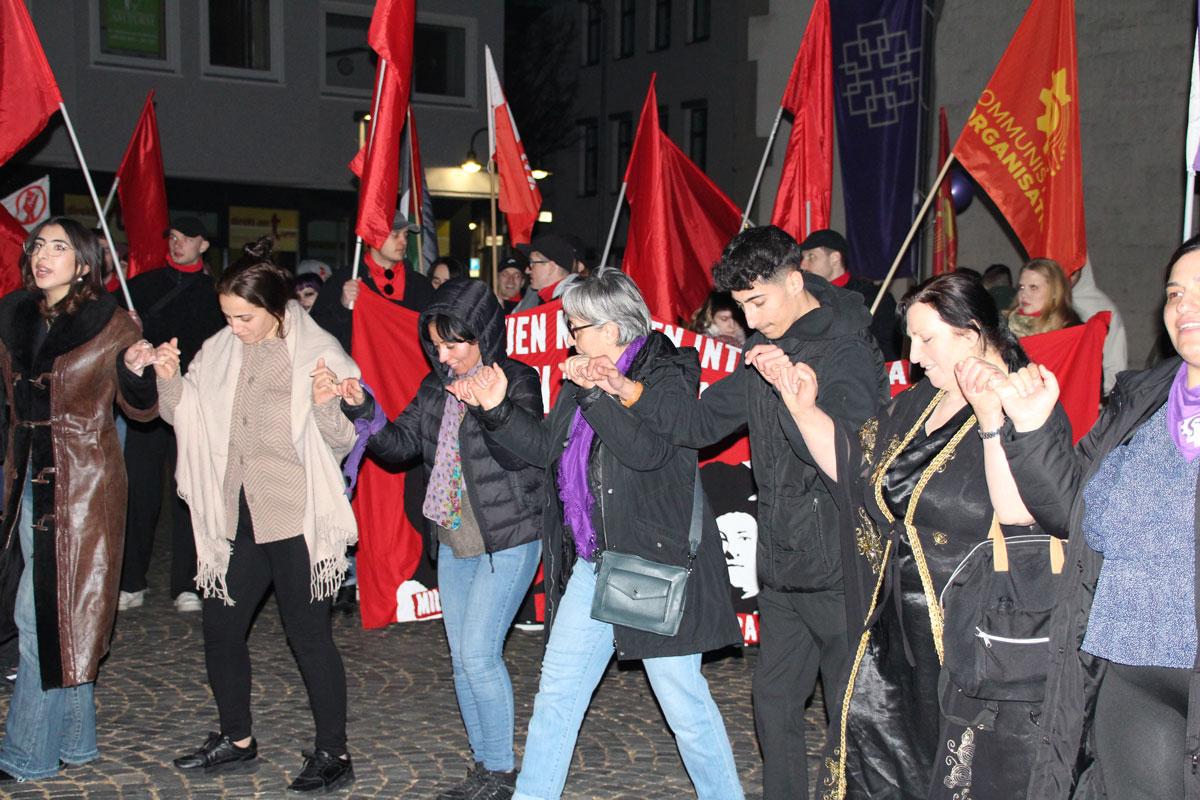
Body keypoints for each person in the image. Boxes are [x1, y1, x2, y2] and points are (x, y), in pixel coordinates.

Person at [608, 225, 887, 800]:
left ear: (795, 280)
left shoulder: (848, 350)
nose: (751, 319)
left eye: (759, 301)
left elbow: (850, 462)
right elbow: (700, 422)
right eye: (741, 307)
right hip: (782, 563)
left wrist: (789, 390)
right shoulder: (767, 346)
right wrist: (627, 392)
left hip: (842, 564)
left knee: (847, 714)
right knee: (774, 703)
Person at [456, 269, 744, 800]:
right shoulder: (583, 376)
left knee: (682, 703)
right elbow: (546, 448)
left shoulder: (667, 368)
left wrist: (595, 396)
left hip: (650, 563)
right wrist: (497, 409)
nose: (568, 337)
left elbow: (651, 453)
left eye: (576, 326)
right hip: (593, 562)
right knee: (557, 691)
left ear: (611, 329)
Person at [770, 272, 1050, 799]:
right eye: (911, 340)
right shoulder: (920, 401)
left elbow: (1029, 513)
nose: (914, 356)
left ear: (971, 332)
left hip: (970, 637)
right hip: (895, 633)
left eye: (926, 339)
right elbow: (858, 470)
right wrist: (805, 411)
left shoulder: (1023, 400)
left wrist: (993, 418)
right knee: (878, 768)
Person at [997, 236, 1200, 800]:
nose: (1185, 306)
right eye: (1175, 294)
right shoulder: (1139, 402)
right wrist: (1034, 427)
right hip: (1131, 669)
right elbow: (1074, 512)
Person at [159, 238, 360, 794]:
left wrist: (325, 403)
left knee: (308, 637)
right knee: (220, 628)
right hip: (237, 515)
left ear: (275, 308)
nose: (234, 327)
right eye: (227, 316)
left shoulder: (319, 352)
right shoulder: (220, 348)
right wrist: (169, 377)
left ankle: (334, 752)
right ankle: (237, 738)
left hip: (296, 517)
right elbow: (183, 415)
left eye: (244, 317)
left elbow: (343, 441)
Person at [337, 278, 543, 800]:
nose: (444, 356)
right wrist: (363, 409)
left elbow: (525, 457)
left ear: (484, 335)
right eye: (437, 345)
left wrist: (491, 407)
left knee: (479, 655)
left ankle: (501, 773)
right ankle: (484, 765)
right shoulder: (435, 386)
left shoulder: (517, 378)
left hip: (507, 537)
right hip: (453, 538)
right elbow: (400, 446)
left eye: (454, 344)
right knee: (461, 659)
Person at [0, 218, 158, 781]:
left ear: (85, 263)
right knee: (60, 614)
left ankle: (27, 755)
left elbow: (141, 409)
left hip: (82, 486)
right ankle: (74, 740)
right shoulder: (14, 313)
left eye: (59, 247)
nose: (43, 255)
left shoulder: (113, 324)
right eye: (38, 245)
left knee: (42, 615)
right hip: (25, 480)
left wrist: (136, 371)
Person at [117, 216, 225, 614]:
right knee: (140, 492)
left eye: (186, 238)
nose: (177, 244)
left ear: (203, 245)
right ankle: (131, 581)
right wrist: (125, 327)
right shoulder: (140, 287)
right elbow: (110, 337)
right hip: (147, 405)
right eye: (173, 237)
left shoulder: (216, 294)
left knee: (190, 492)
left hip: (192, 403)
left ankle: (188, 584)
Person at [309, 212, 435, 352]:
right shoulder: (344, 279)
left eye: (405, 235)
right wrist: (342, 306)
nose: (404, 241)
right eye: (395, 235)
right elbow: (317, 335)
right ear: (373, 237)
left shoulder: (420, 286)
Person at [799, 228, 901, 360]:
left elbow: (889, 351)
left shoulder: (873, 297)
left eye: (811, 256)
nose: (802, 265)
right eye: (803, 257)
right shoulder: (803, 298)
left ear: (834, 258)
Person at [1070, 258, 1129, 394]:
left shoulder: (1101, 308)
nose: (1065, 276)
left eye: (1072, 272)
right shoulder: (1033, 302)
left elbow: (1115, 365)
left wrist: (1100, 395)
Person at [1005, 258, 1082, 337]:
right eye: (1021, 287)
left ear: (1054, 292)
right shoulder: (1003, 326)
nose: (1023, 294)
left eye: (1033, 287)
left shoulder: (1073, 333)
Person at [511, 234, 579, 313]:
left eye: (532, 263)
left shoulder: (575, 303)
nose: (527, 270)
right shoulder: (533, 295)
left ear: (551, 267)